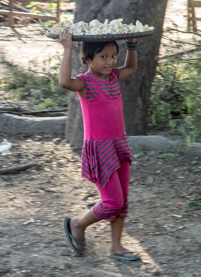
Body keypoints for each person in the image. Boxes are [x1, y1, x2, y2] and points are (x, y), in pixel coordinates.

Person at [57, 31, 141, 261]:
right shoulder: (85, 82)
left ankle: (116, 246)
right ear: (87, 59)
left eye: (114, 55)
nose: (111, 61)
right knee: (112, 202)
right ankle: (78, 224)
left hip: (118, 144)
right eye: (103, 57)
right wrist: (67, 49)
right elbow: (65, 82)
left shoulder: (113, 76)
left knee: (122, 199)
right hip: (100, 149)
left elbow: (131, 68)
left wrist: (131, 45)